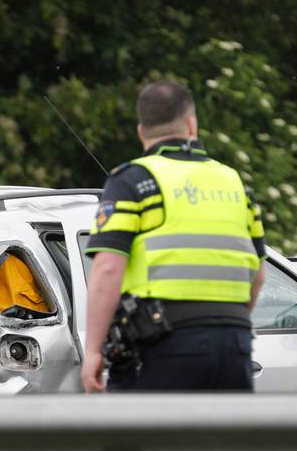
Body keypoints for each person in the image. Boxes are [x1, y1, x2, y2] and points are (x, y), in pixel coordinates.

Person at [80, 81, 267, 393]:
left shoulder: (134, 181)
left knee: (141, 442)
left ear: (141, 131)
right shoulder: (235, 183)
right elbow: (258, 276)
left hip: (162, 347)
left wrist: (93, 351)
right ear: (192, 124)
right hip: (233, 345)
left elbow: (108, 268)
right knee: (220, 442)